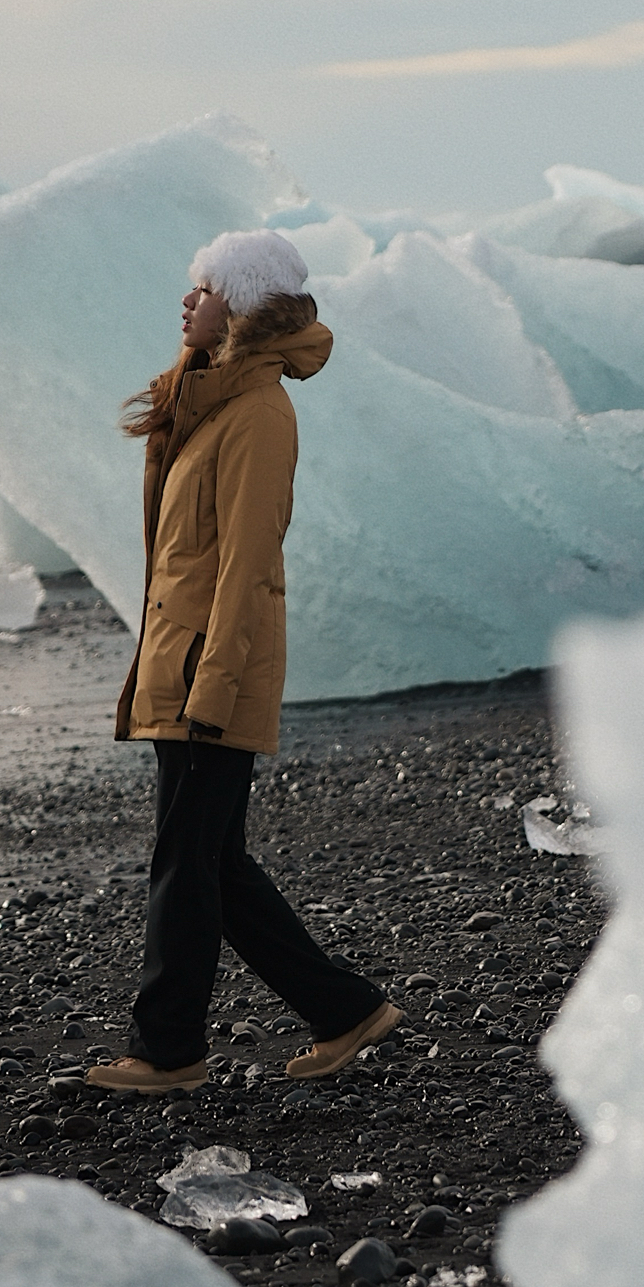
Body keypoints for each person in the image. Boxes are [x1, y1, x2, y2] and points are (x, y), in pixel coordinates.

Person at [86, 227, 400, 1097]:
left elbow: (249, 562)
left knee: (187, 864)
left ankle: (170, 1046)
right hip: (184, 664)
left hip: (208, 676)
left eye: (205, 287)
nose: (188, 300)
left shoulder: (260, 412)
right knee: (212, 860)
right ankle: (345, 1010)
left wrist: (212, 684)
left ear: (245, 305)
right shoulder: (207, 401)